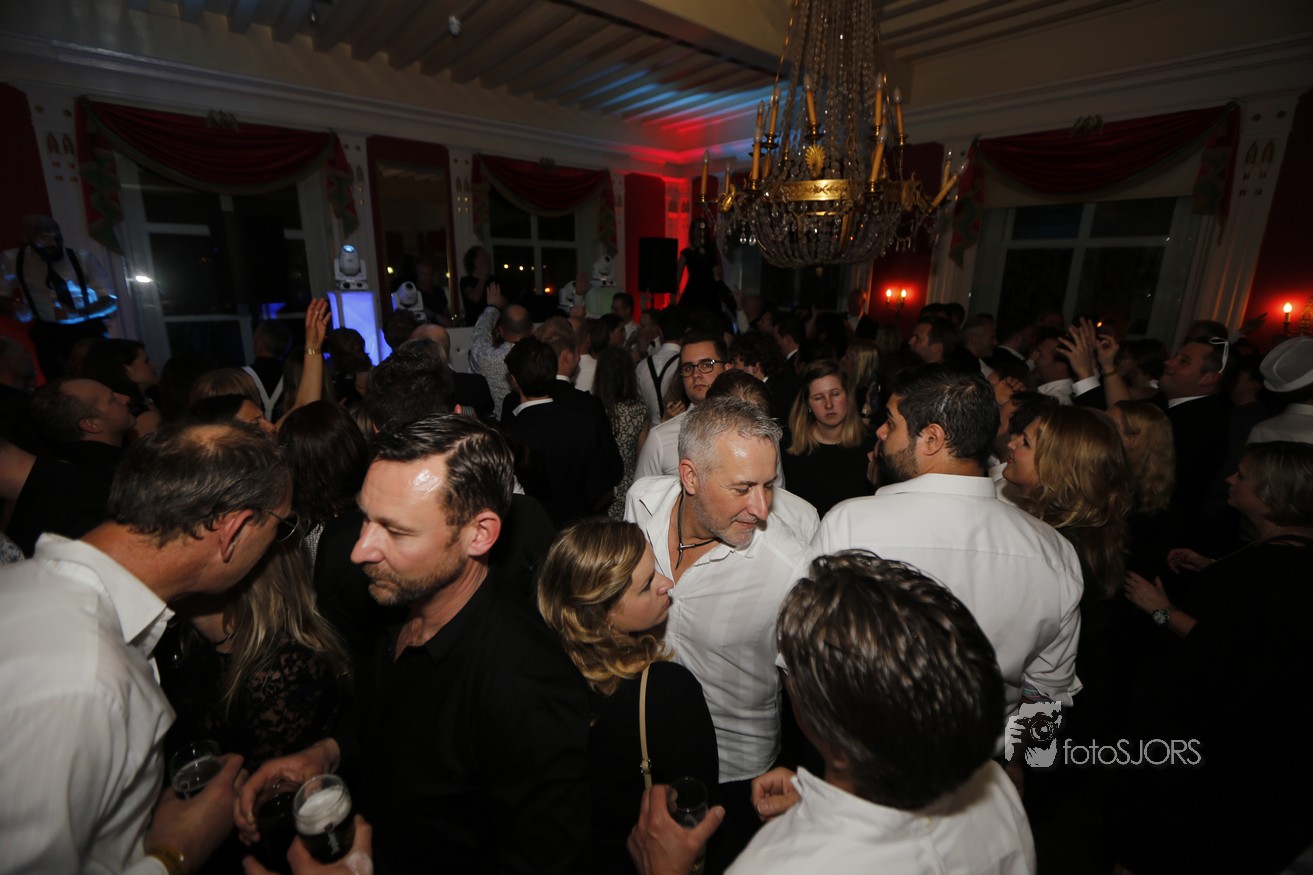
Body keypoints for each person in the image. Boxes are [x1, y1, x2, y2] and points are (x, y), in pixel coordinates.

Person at [236, 415, 589, 875]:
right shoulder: (395, 603)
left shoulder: (527, 688)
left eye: (397, 531)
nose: (360, 550)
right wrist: (328, 753)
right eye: (365, 518)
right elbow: (390, 722)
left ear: (479, 534)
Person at [0, 419, 292, 874]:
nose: (279, 541)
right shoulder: (85, 682)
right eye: (280, 525)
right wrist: (174, 852)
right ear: (233, 532)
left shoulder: (22, 585)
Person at [628, 551, 1035, 875]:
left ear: (823, 724)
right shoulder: (996, 788)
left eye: (792, 672)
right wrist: (817, 800)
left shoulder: (772, 865)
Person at [812, 364, 1084, 736]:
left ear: (931, 439)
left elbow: (807, 658)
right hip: (986, 761)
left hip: (868, 753)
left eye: (890, 422)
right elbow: (1046, 692)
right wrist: (1021, 762)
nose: (880, 432)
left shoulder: (849, 525)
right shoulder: (1054, 552)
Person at [625, 397, 810, 869]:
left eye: (768, 485)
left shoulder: (791, 567)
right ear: (690, 477)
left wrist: (812, 781)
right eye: (743, 488)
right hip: (644, 746)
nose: (761, 508)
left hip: (738, 773)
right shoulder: (641, 502)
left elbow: (811, 693)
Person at [1117, 441, 1313, 875]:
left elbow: (1227, 648)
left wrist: (1160, 609)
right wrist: (1213, 567)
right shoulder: (1289, 553)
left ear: (1273, 496)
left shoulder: (1263, 574)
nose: (1229, 479)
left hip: (1212, 750)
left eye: (1242, 476)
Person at [537, 519, 719, 874]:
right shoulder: (669, 694)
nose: (667, 584)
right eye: (647, 585)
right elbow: (696, 812)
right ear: (603, 614)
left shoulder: (536, 673)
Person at [2, 214, 117, 378]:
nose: (54, 243)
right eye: (44, 238)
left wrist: (78, 314)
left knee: (101, 375)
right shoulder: (12, 261)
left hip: (88, 328)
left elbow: (109, 300)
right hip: (48, 333)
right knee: (59, 381)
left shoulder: (82, 258)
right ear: (27, 238)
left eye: (57, 236)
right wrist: (15, 311)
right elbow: (2, 296)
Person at [782, 360, 874, 516]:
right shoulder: (789, 446)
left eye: (835, 394)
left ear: (848, 395)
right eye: (818, 398)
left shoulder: (871, 444)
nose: (829, 405)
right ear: (808, 404)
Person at [635, 331, 729, 479]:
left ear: (727, 369)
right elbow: (640, 492)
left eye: (706, 365)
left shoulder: (752, 428)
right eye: (688, 368)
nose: (696, 374)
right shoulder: (661, 438)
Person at [595, 345, 650, 519]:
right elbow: (642, 457)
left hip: (601, 488)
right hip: (628, 487)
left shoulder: (593, 410)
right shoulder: (639, 410)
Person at [467, 281, 529, 417]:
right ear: (532, 330)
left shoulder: (486, 356)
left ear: (500, 331)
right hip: (533, 422)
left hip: (498, 425)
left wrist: (492, 307)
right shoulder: (541, 358)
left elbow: (480, 334)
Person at [81, 338, 162, 438]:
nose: (154, 365)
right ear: (127, 370)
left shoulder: (152, 397)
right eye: (146, 361)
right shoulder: (135, 417)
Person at [676, 218, 722, 315]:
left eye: (702, 228)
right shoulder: (686, 253)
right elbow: (677, 277)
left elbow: (720, 271)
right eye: (696, 228)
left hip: (710, 292)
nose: (699, 231)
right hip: (693, 291)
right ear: (692, 232)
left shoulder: (712, 250)